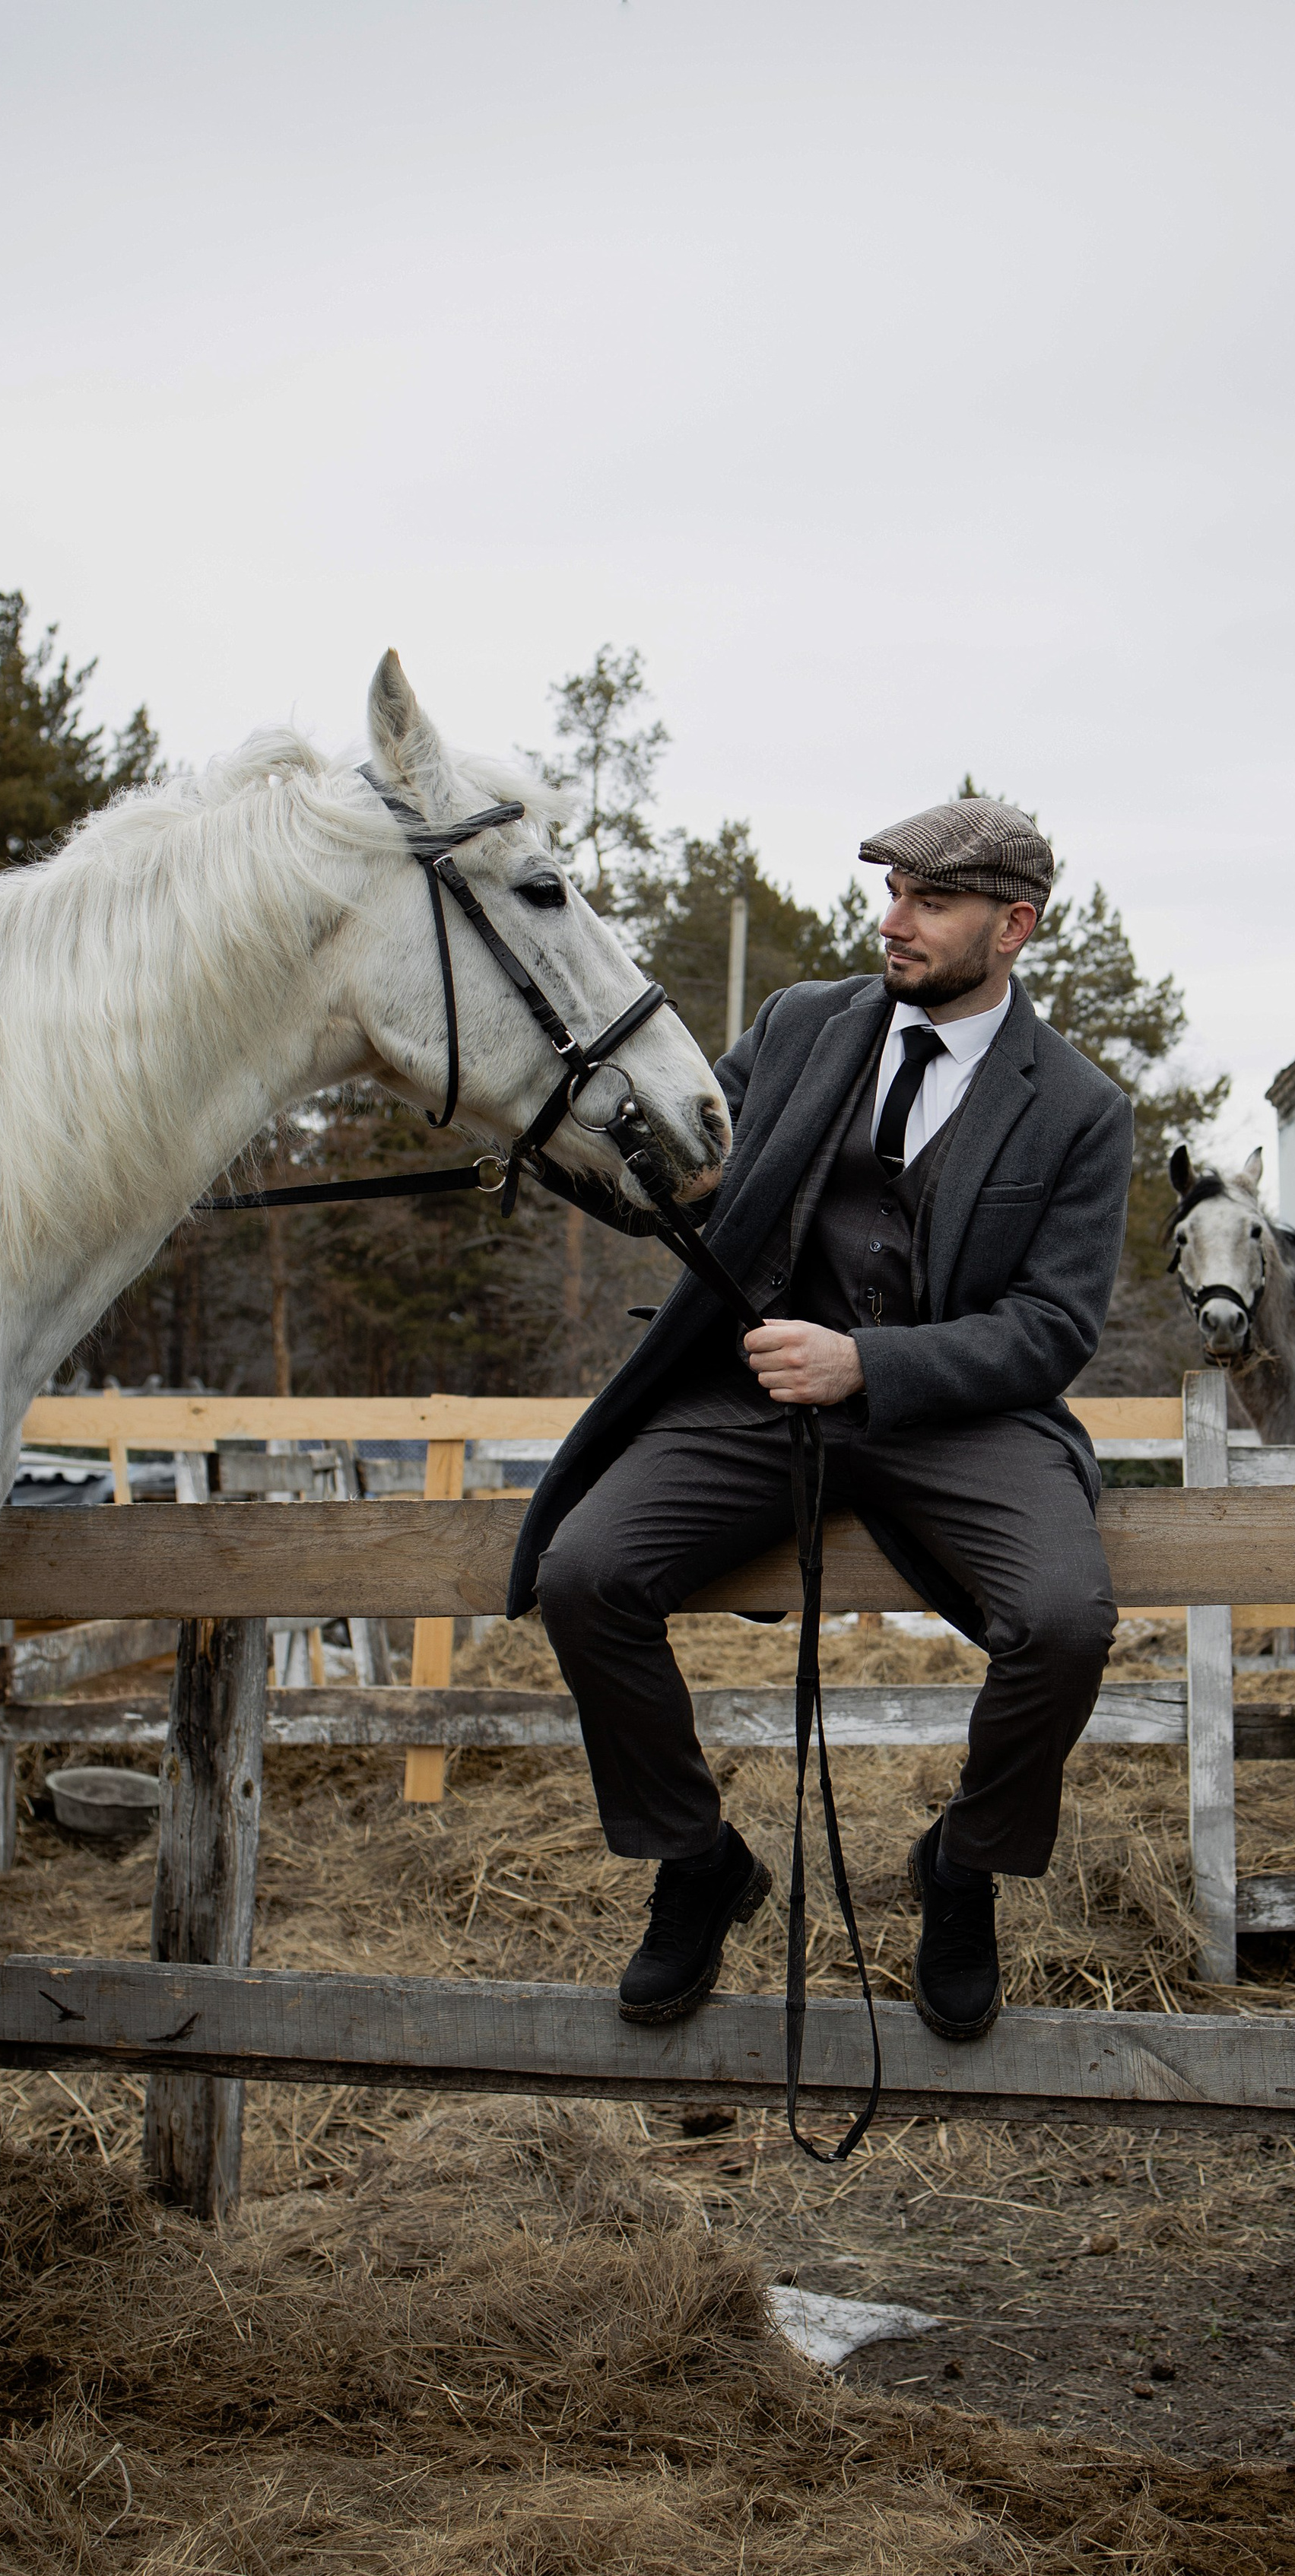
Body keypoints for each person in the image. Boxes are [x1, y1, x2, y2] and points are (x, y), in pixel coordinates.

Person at [506, 797, 1135, 2041]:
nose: (893, 921)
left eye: (930, 902)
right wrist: (554, 1134)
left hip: (959, 1415)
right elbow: (688, 1168)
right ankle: (696, 1862)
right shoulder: (803, 1025)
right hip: (757, 1397)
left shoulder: (1080, 1107)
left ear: (1013, 927)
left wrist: (868, 1364)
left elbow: (1053, 1329)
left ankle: (963, 1866)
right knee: (585, 1575)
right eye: (892, 892)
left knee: (1066, 1622)